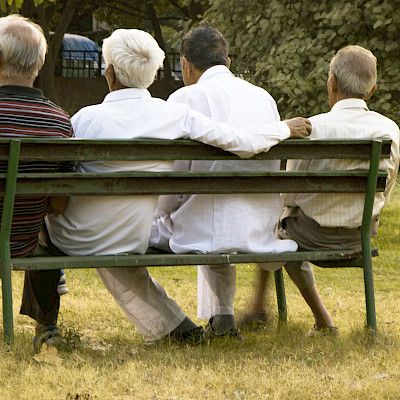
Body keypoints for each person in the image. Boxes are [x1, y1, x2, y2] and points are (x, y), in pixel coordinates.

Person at [46, 28, 311, 345]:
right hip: (152, 229)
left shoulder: (85, 119)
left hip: (93, 235)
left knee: (53, 228)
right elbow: (244, 142)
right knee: (138, 229)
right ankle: (184, 326)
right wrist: (284, 128)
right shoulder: (175, 114)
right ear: (154, 72)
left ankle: (50, 327)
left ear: (110, 73)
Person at [150, 25, 301, 338]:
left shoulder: (183, 98)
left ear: (185, 65)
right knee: (209, 206)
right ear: (227, 61)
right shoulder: (263, 98)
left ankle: (218, 316)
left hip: (200, 228)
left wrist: (160, 210)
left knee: (192, 210)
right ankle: (223, 316)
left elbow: (175, 178)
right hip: (259, 227)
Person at [244, 45, 399, 333]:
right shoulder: (389, 130)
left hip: (310, 235)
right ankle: (270, 310)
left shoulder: (312, 128)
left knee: (278, 229)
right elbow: (385, 187)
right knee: (283, 226)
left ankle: (317, 318)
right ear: (373, 89)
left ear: (332, 83)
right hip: (359, 235)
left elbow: (289, 194)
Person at [0, 15, 73, 351]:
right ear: (40, 63)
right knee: (47, 229)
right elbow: (59, 204)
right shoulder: (59, 122)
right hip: (26, 240)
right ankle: (47, 324)